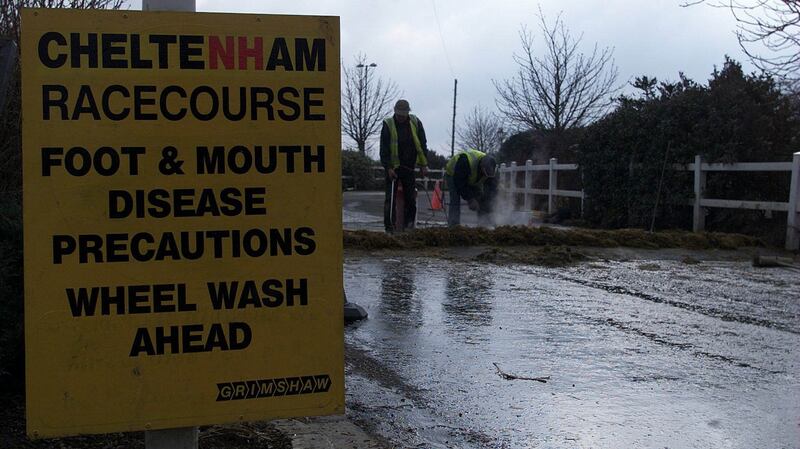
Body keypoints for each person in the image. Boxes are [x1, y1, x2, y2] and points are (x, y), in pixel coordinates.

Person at [379, 99, 429, 232]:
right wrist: (388, 167)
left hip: (409, 167)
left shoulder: (415, 122)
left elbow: (422, 145)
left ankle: (409, 225)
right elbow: (384, 149)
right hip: (393, 168)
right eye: (399, 114)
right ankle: (389, 227)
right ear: (395, 112)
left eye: (403, 114)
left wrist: (423, 165)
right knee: (390, 200)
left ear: (408, 113)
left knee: (410, 199)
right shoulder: (388, 124)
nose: (401, 117)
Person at [444, 149, 498, 226]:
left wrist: (490, 204)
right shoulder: (465, 162)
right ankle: (453, 226)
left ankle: (484, 223)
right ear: (481, 167)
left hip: (471, 177)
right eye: (485, 174)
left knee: (481, 198)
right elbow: (460, 183)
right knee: (455, 200)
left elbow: (491, 188)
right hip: (454, 175)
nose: (486, 176)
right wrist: (470, 199)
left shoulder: (490, 169)